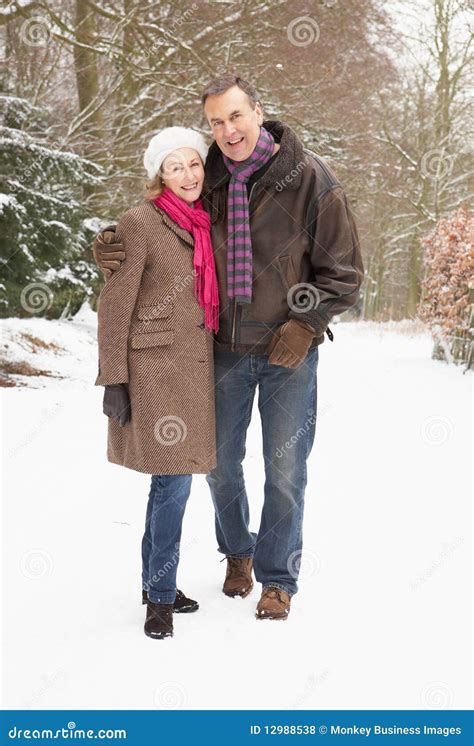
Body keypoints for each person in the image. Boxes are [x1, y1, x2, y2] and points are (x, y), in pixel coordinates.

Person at [93, 76, 364, 622]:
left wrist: (304, 325)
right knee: (218, 464)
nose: (228, 130)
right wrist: (113, 247)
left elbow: (345, 272)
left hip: (290, 352)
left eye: (236, 116)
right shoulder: (207, 177)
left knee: (285, 469)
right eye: (216, 122)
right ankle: (237, 551)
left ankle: (278, 579)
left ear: (257, 112)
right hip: (220, 350)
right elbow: (165, 224)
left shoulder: (310, 178)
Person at [94, 127, 219, 639]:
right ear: (158, 175)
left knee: (167, 486)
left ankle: (155, 584)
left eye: (194, 164)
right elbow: (114, 303)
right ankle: (160, 601)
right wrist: (113, 379)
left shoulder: (206, 223)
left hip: (196, 369)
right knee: (173, 486)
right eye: (175, 167)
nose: (188, 175)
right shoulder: (140, 222)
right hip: (155, 373)